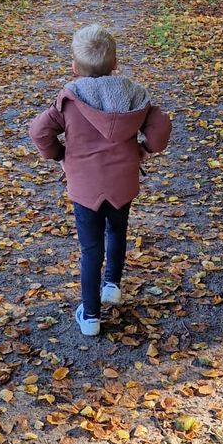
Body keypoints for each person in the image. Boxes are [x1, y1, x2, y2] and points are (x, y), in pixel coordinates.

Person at [29, 24, 172, 336]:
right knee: (117, 230)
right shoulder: (134, 96)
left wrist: (59, 155)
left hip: (85, 187)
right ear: (116, 63)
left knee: (91, 247)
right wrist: (144, 149)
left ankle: (91, 315)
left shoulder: (68, 99)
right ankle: (112, 286)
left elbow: (39, 132)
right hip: (123, 182)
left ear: (75, 67)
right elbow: (161, 127)